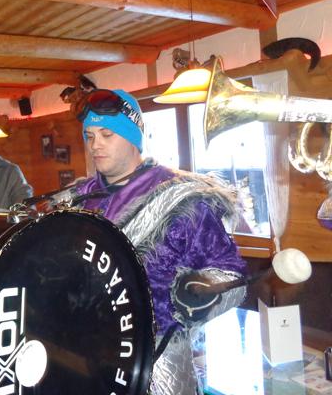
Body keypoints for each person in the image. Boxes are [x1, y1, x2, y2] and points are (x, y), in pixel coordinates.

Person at [73, 89, 246, 395]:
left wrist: (200, 291)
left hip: (159, 361)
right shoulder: (78, 199)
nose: (95, 144)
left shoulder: (183, 199)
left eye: (107, 135)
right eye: (89, 136)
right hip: (86, 355)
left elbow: (232, 275)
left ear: (134, 136)